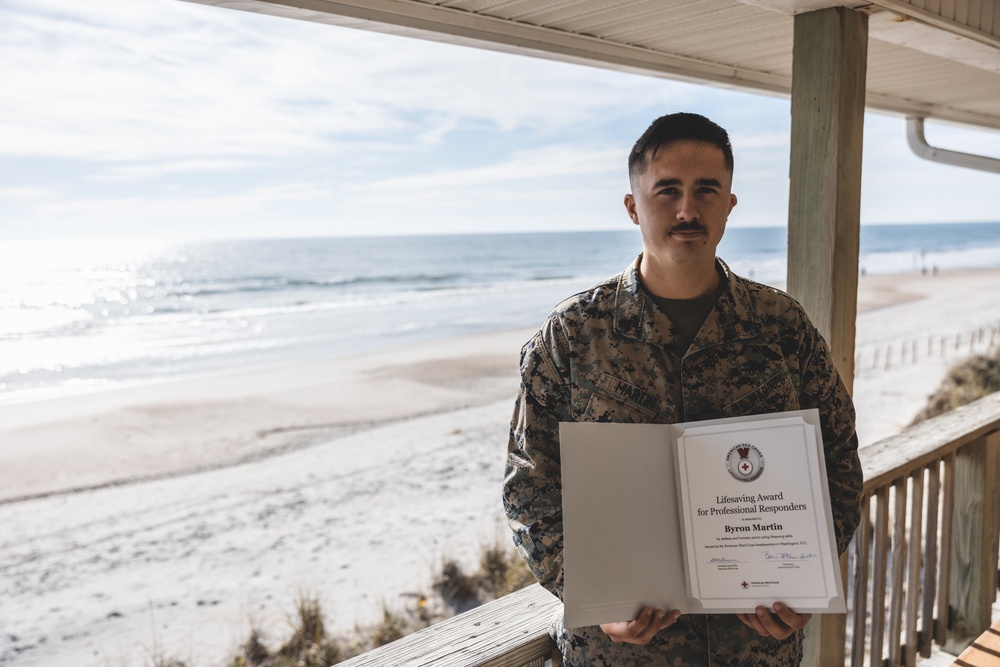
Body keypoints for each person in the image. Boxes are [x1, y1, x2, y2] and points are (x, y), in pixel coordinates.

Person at [502, 112, 864, 666]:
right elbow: (530, 485)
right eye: (667, 190)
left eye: (705, 191)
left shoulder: (780, 325)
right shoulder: (573, 336)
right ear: (632, 206)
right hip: (619, 653)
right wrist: (592, 597)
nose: (687, 210)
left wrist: (807, 572)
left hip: (756, 649)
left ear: (729, 204)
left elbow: (838, 458)